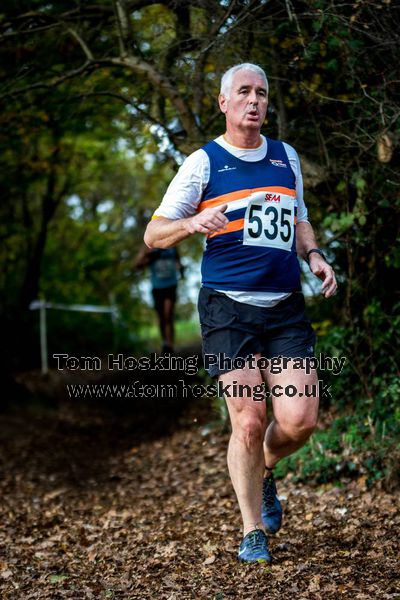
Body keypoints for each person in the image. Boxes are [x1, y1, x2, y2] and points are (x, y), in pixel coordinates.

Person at [144, 63, 337, 564]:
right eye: (244, 92)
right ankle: (253, 531)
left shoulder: (284, 157)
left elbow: (299, 220)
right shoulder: (203, 163)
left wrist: (314, 256)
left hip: (285, 307)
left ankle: (264, 470)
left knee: (299, 420)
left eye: (262, 93)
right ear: (224, 102)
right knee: (248, 422)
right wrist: (191, 222)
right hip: (227, 309)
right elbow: (153, 234)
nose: (255, 101)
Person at [135, 245, 183, 354]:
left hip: (171, 285)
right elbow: (138, 265)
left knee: (168, 315)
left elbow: (178, 260)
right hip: (157, 287)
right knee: (161, 317)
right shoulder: (150, 245)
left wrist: (181, 269)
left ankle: (170, 345)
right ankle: (165, 343)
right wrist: (147, 254)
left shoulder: (173, 245)